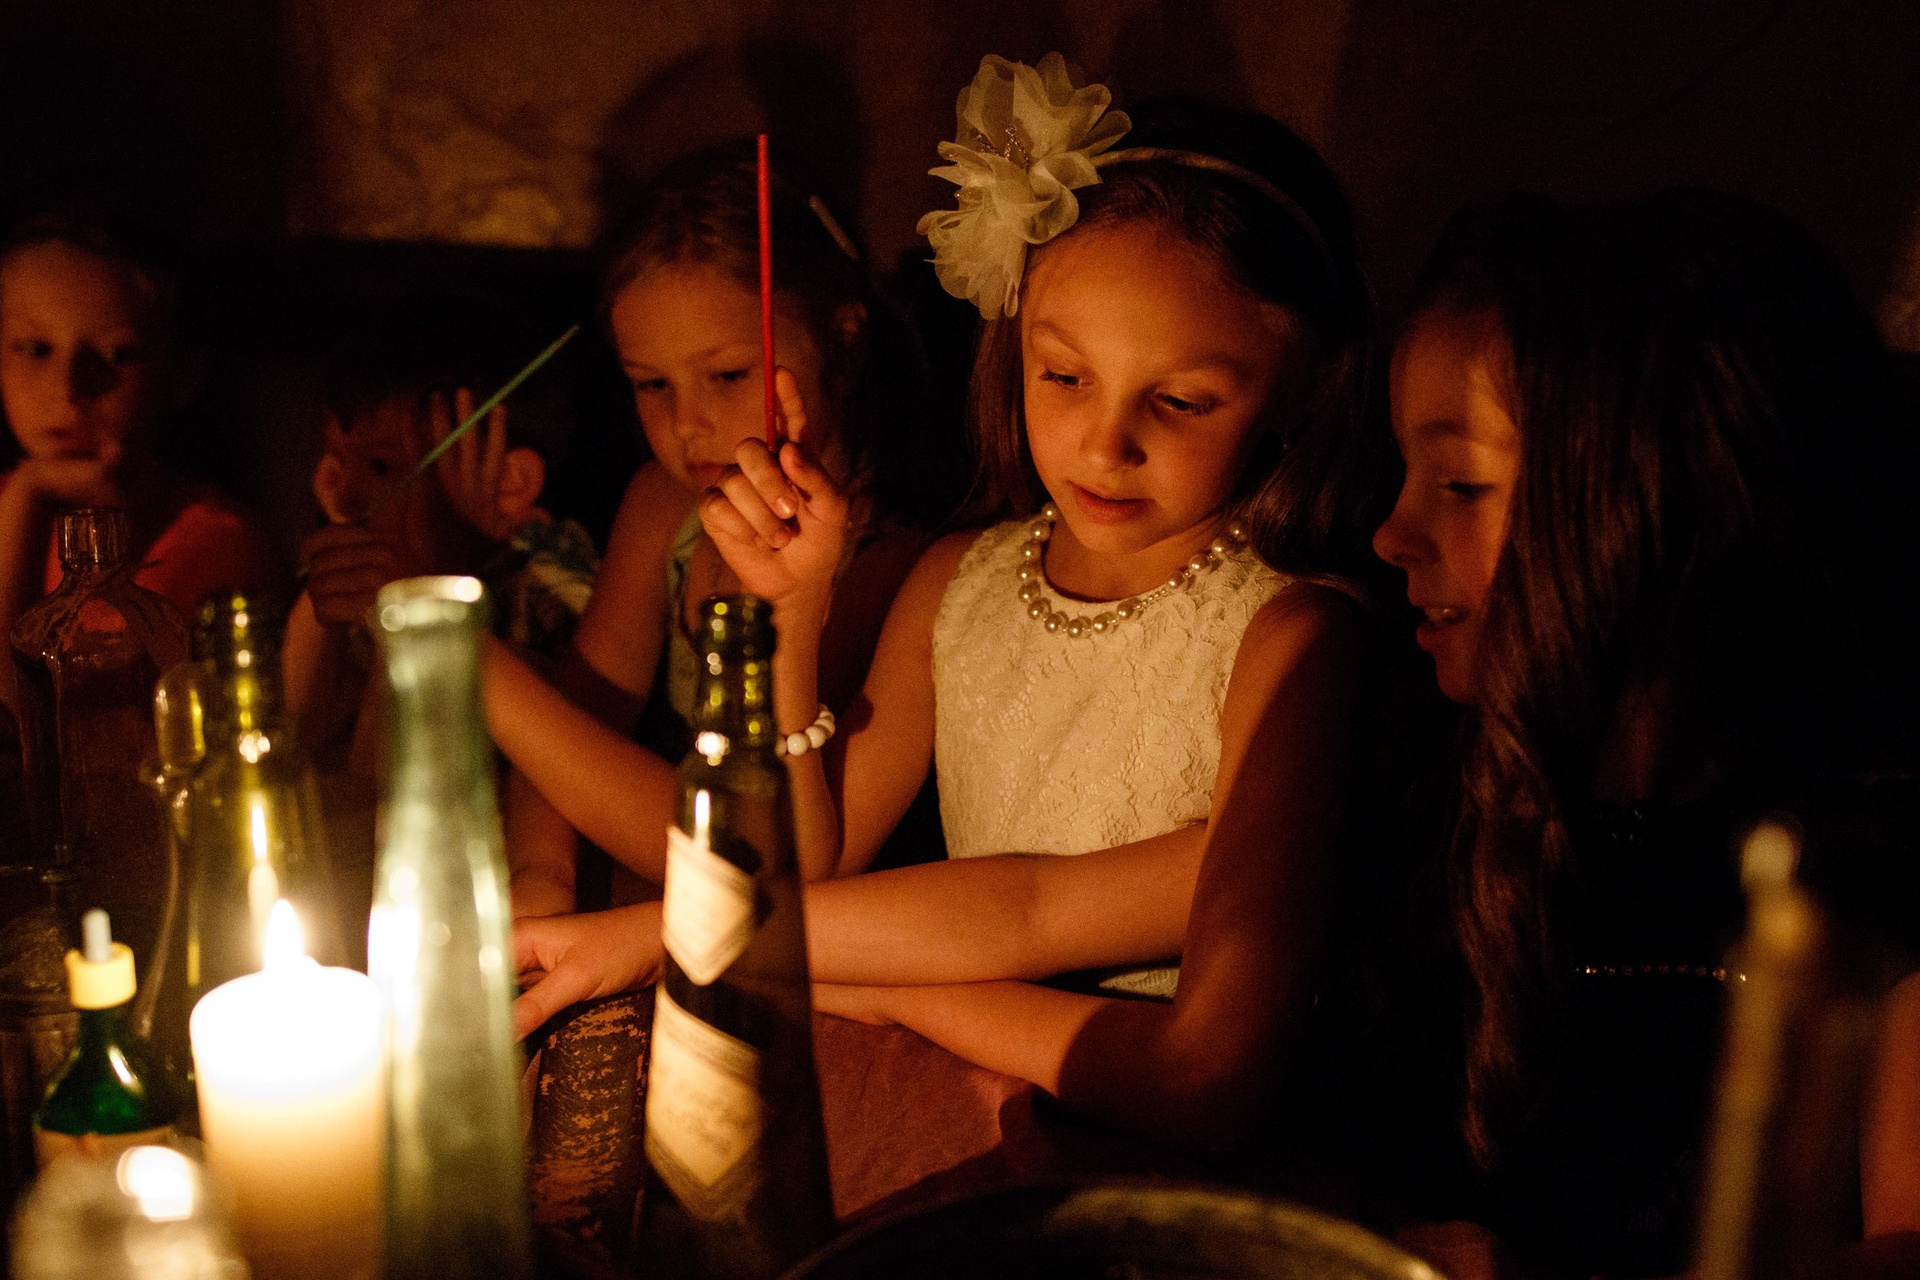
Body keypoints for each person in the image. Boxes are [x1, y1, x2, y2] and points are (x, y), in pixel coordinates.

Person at [513, 60, 1387, 1196]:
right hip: (968, 1111)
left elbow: (1063, 939)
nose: (1104, 442)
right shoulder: (960, 580)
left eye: (1179, 400)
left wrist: (808, 965)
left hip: (1159, 1183)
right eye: (1063, 375)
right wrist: (796, 619)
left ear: (1297, 389)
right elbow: (815, 861)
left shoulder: (1292, 639)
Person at [1359, 190, 1920, 1279]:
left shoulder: (1863, 866)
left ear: (1666, 504)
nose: (1392, 531)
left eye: (1464, 483)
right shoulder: (1427, 794)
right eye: (1405, 475)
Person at [491, 141, 958, 916]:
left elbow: (771, 861)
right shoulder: (663, 507)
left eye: (729, 375)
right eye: (652, 385)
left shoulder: (906, 565)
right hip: (642, 915)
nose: (688, 424)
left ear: (843, 338)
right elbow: (577, 728)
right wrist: (540, 884)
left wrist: (484, 676)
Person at [282, 294, 594, 776]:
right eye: (338, 462)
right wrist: (328, 581)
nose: (345, 495)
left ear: (508, 482)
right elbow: (294, 732)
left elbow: (383, 778)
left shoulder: (551, 592)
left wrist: (427, 598)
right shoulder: (387, 567)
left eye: (380, 467)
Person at [0, 211, 275, 712]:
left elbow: (32, 720)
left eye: (116, 354)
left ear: (182, 374)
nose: (69, 388)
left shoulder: (211, 539)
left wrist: (29, 498)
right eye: (36, 349)